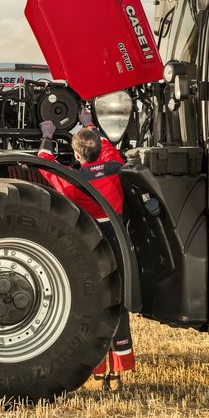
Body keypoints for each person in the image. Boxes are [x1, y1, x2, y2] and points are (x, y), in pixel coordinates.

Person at [37, 109, 134, 391]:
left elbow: (45, 165)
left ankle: (99, 371)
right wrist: (89, 123)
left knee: (94, 307)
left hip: (91, 244)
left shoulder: (73, 180)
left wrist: (46, 136)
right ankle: (117, 374)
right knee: (118, 307)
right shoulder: (114, 167)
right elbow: (107, 150)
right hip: (116, 240)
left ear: (77, 156)